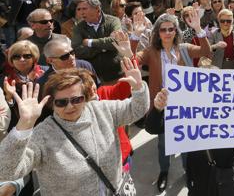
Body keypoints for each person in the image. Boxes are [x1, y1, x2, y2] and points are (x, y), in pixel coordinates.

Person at [0, 58, 149, 196]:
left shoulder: (102, 110)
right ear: (51, 103)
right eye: (61, 102)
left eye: (77, 99)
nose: (70, 106)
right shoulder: (43, 134)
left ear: (86, 97)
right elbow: (7, 171)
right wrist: (23, 126)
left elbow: (137, 109)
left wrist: (138, 87)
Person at [113, 11, 211, 192]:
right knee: (164, 142)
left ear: (176, 31)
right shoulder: (152, 51)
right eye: (163, 29)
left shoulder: (184, 48)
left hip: (185, 105)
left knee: (186, 142)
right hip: (162, 105)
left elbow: (206, 52)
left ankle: (188, 171)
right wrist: (133, 38)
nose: (167, 32)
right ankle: (164, 171)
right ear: (157, 32)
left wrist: (198, 29)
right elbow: (133, 62)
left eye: (171, 29)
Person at [71, 0, 123, 83]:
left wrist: (90, 42)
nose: (81, 12)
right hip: (93, 77)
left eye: (84, 9)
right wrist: (103, 47)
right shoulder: (78, 27)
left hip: (116, 73)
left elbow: (116, 42)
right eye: (79, 9)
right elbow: (77, 50)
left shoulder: (113, 21)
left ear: (97, 9)